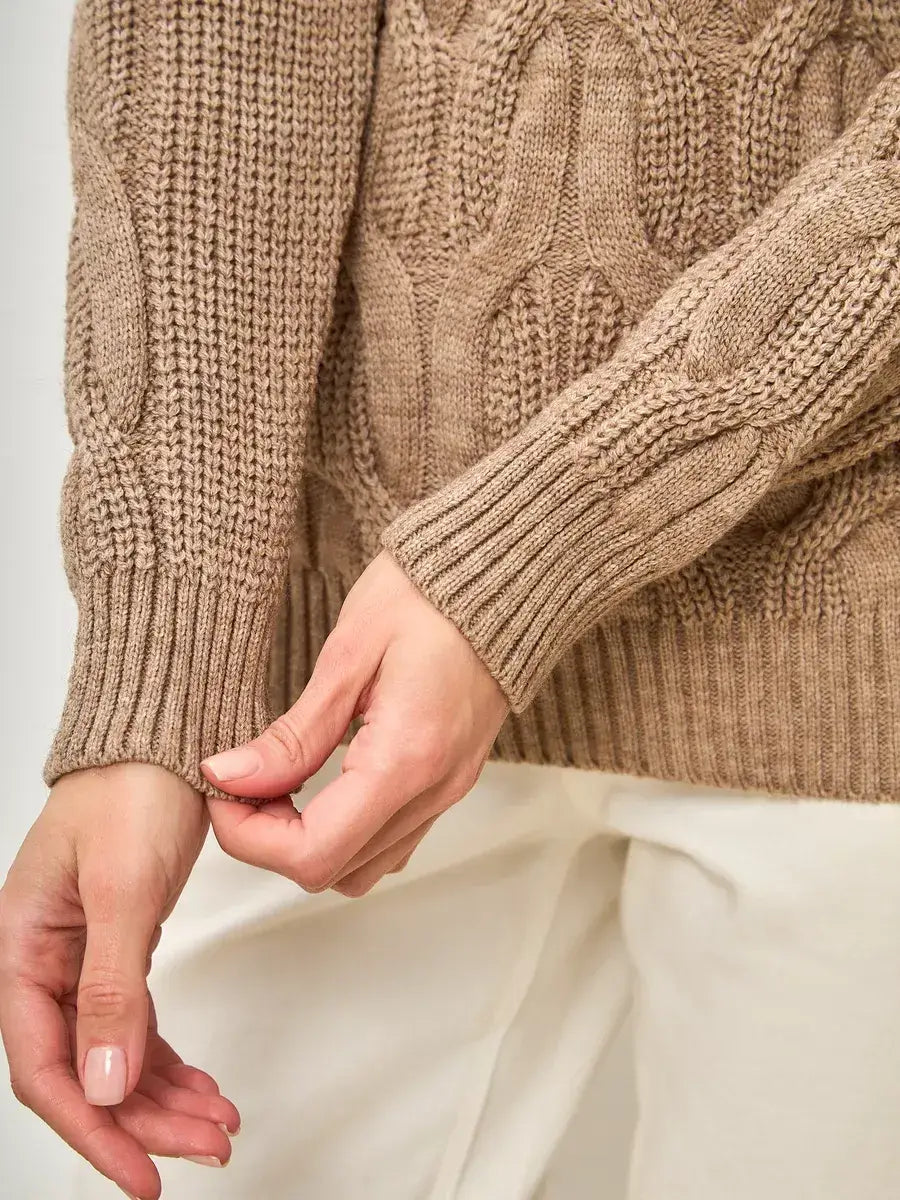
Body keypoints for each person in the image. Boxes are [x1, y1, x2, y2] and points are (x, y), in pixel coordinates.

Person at [2, 1, 900, 1197]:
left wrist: (530, 549)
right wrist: (158, 669)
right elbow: (217, 39)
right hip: (343, 684)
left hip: (857, 655)